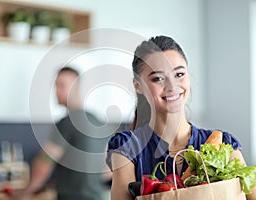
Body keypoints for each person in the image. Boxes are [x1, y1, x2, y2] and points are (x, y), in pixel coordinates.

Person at [106, 35, 256, 200]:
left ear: (188, 77)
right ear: (139, 86)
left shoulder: (223, 143)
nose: (172, 86)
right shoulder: (127, 147)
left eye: (179, 74)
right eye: (158, 79)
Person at [16, 66, 108, 200]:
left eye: (62, 86)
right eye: (56, 86)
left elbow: (45, 162)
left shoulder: (67, 122)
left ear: (75, 88)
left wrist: (27, 191)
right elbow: (108, 170)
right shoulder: (98, 121)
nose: (56, 91)